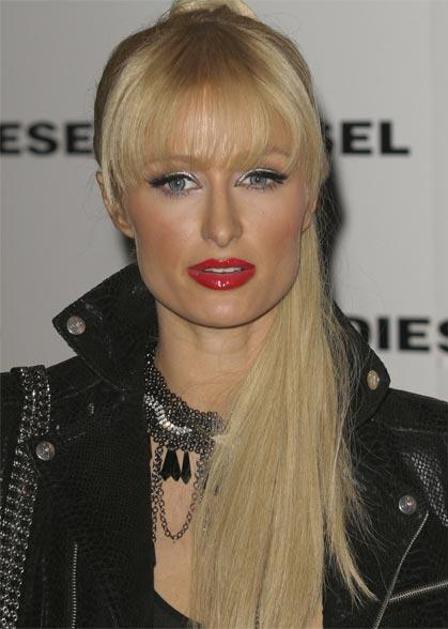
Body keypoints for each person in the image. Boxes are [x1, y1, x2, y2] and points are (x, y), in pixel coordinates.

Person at [1, 0, 447, 627]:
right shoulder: (18, 439)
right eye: (177, 181)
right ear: (116, 202)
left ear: (309, 195)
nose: (221, 226)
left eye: (259, 176)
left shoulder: (432, 469)